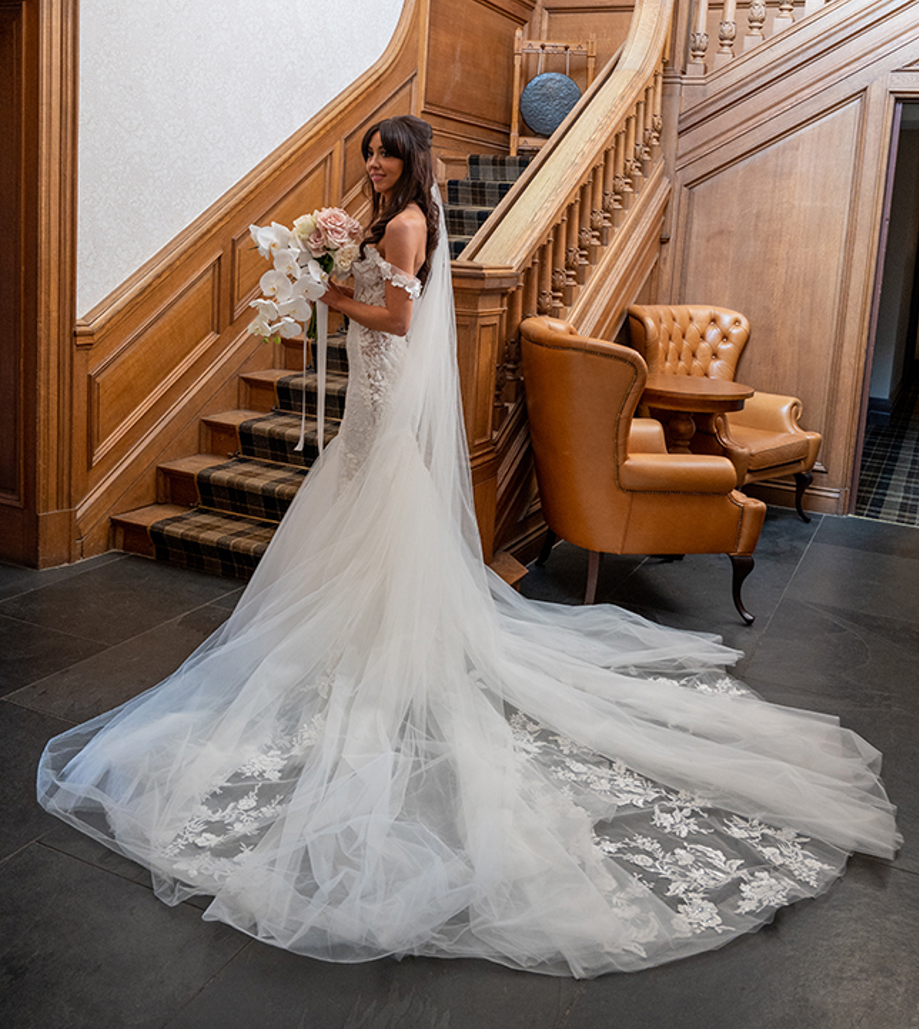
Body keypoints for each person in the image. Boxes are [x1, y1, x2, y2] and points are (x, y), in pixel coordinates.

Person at [38, 116, 899, 978]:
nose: (373, 163)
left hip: (381, 382)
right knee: (357, 500)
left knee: (372, 499)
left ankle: (374, 641)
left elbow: (400, 322)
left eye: (387, 153)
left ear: (412, 163)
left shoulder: (408, 222)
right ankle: (355, 633)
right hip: (370, 390)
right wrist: (328, 269)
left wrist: (330, 293)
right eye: (368, 152)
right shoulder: (386, 218)